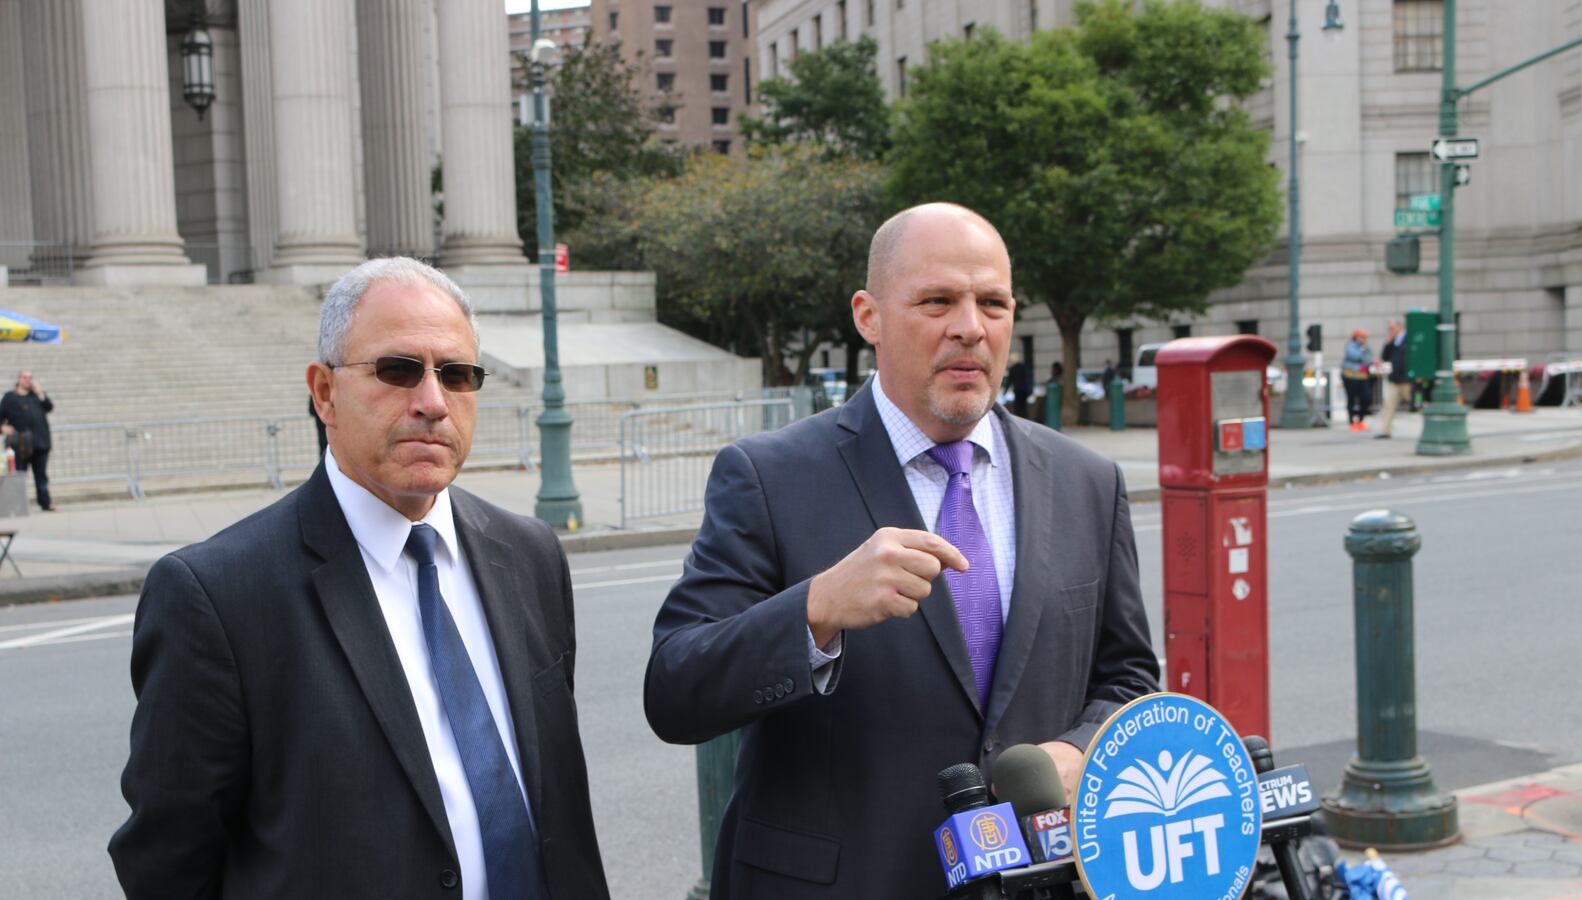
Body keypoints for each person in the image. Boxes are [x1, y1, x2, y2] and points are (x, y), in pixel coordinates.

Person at [643, 203, 1160, 898]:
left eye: (993, 303)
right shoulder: (769, 476)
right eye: (937, 301)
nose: (970, 327)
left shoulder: (1086, 481)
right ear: (869, 317)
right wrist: (816, 611)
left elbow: (1128, 677)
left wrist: (1077, 751)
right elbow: (675, 690)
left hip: (1036, 879)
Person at [110, 258, 609, 899]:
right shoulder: (216, 594)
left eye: (456, 374)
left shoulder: (530, 554)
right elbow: (167, 863)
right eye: (398, 370)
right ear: (324, 393)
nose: (433, 402)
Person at [0, 370, 55, 510]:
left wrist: (40, 393)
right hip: (19, 444)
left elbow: (49, 407)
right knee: (18, 475)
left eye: (30, 377)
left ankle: (45, 503)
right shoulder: (10, 397)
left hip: (40, 442)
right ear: (19, 379)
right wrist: (2, 427)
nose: (27, 380)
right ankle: (18, 506)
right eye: (25, 377)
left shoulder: (36, 396)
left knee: (41, 475)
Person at [1375, 319, 1410, 439]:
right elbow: (1385, 357)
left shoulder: (1408, 339)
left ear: (1400, 327)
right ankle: (1386, 431)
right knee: (1388, 405)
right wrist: (1388, 343)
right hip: (1395, 379)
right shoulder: (1393, 341)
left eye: (1392, 328)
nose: (1390, 330)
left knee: (1417, 403)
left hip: (1407, 379)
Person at [1341, 327, 1374, 431]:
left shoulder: (1366, 348)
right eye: (1362, 337)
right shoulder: (1351, 346)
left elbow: (1369, 360)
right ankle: (1352, 421)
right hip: (1350, 376)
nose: (1364, 339)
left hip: (1362, 376)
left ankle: (1360, 420)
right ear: (1356, 337)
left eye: (1365, 337)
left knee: (1366, 398)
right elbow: (1356, 357)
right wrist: (1364, 353)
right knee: (1351, 399)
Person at [1006, 352, 1033, 419]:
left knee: (1018, 408)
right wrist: (1030, 389)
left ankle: (1019, 419)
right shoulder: (1024, 367)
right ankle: (1024, 419)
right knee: (1023, 407)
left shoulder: (1013, 369)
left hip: (1018, 390)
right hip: (1024, 390)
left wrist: (1005, 391)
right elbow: (1029, 378)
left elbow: (1009, 381)